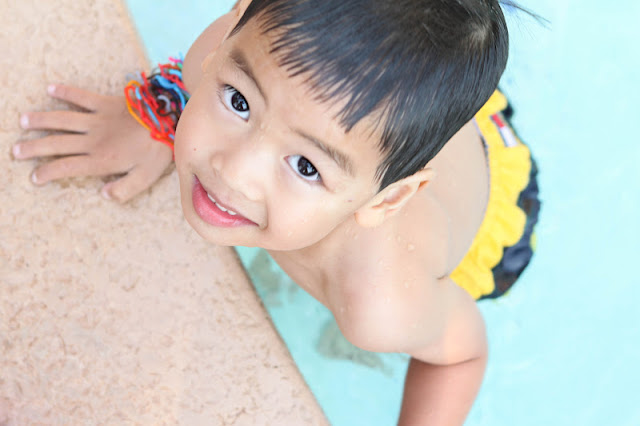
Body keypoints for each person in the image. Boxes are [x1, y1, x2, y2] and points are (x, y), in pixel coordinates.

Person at [13, 0, 541, 423]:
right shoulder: (225, 55)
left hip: (493, 196)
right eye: (238, 102)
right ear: (233, 27)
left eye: (306, 167)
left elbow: (462, 356)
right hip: (384, 100)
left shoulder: (379, 301)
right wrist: (156, 116)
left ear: (386, 200)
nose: (232, 171)